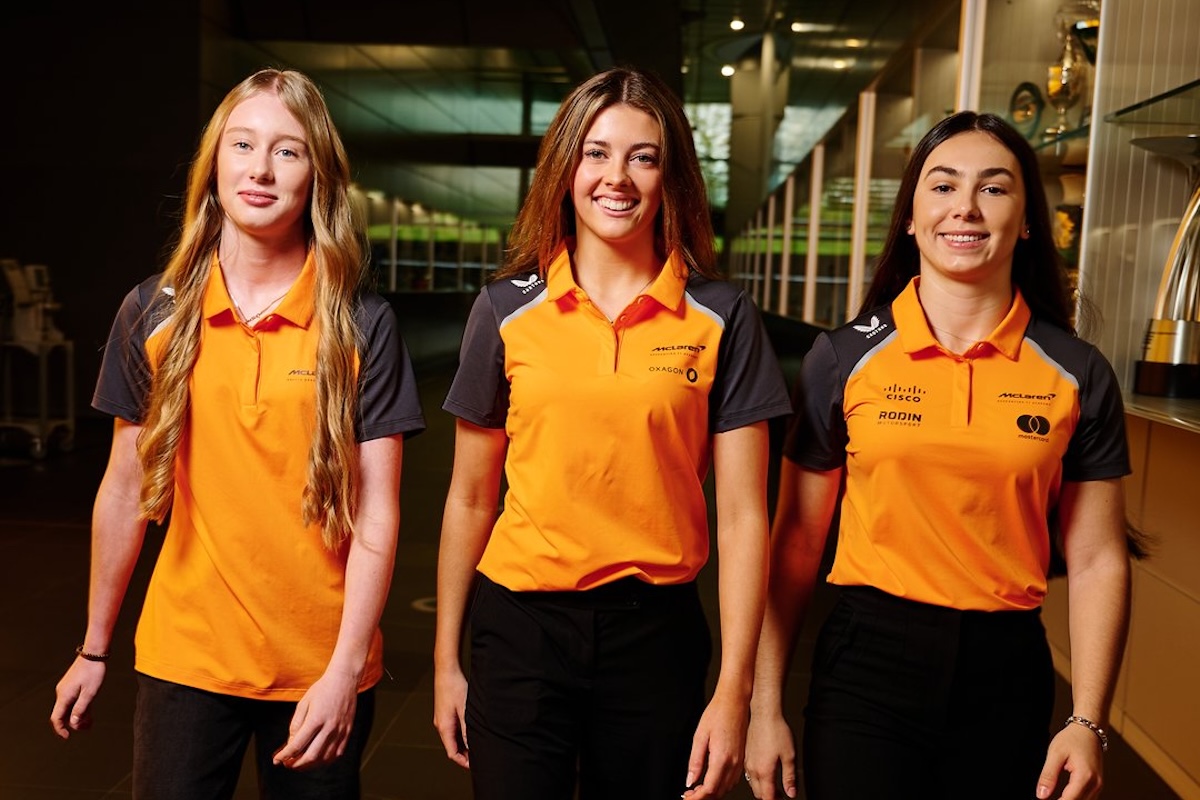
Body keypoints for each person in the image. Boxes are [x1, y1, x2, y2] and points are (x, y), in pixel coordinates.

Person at [49, 68, 426, 799]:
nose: (259, 168)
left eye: (287, 151)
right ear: (213, 164)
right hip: (187, 658)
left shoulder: (361, 324)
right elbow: (125, 488)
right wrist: (94, 648)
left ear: (317, 173)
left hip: (319, 665)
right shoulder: (152, 312)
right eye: (243, 144)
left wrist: (346, 668)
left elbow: (379, 512)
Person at [744, 111, 1132, 800]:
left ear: (1028, 220)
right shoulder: (844, 358)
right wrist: (763, 701)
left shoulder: (1076, 371)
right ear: (912, 218)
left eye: (994, 188)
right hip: (867, 663)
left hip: (1006, 669)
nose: (966, 208)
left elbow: (1100, 556)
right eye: (943, 186)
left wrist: (1087, 720)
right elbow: (797, 541)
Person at [432, 66, 792, 800]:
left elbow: (745, 515)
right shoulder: (505, 310)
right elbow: (470, 501)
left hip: (654, 637)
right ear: (565, 169)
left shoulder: (722, 315)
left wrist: (736, 691)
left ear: (672, 175)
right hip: (521, 629)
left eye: (643, 156)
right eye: (595, 153)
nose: (615, 178)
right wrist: (446, 661)